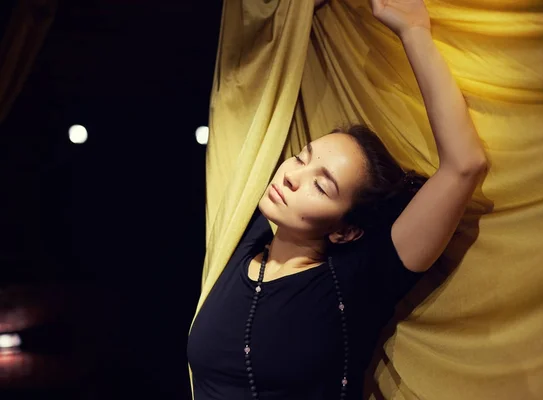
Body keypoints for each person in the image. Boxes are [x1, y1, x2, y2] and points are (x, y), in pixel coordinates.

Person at [187, 0, 488, 399]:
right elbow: (246, 89)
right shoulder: (241, 240)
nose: (293, 176)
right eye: (301, 157)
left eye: (321, 185)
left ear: (346, 230)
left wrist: (414, 32)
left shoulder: (358, 281)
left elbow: (465, 165)